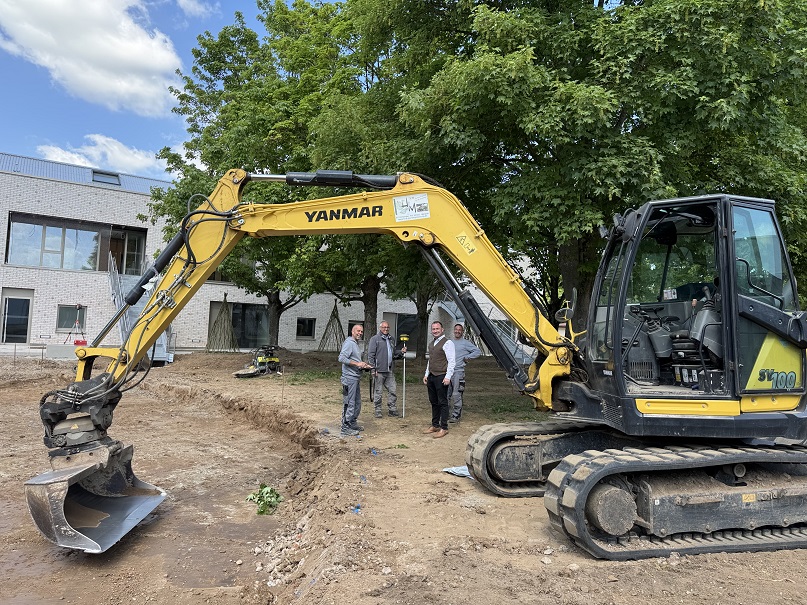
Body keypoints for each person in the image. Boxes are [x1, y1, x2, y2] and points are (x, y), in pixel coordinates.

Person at [422, 321, 455, 438]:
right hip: (432, 376)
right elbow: (430, 361)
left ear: (442, 330)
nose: (435, 331)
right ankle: (435, 425)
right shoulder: (431, 344)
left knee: (443, 402)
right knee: (433, 401)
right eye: (433, 329)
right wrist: (426, 374)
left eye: (437, 329)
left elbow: (451, 361)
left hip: (441, 376)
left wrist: (448, 377)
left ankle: (444, 427)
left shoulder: (448, 343)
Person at [367, 321, 406, 418]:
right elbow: (370, 355)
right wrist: (373, 369)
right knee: (378, 391)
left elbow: (393, 353)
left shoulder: (391, 339)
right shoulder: (375, 339)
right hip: (378, 370)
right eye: (384, 327)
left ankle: (392, 409)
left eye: (387, 327)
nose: (386, 329)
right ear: (380, 328)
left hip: (389, 370)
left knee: (393, 390)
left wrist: (401, 351)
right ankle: (378, 410)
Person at [338, 324, 371, 436]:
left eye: (361, 331)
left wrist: (363, 366)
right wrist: (358, 363)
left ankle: (352, 422)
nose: (360, 333)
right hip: (349, 378)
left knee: (357, 403)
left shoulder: (355, 344)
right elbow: (341, 358)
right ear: (352, 331)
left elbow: (354, 360)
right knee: (350, 403)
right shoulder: (349, 343)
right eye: (358, 331)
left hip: (355, 377)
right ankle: (345, 427)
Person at [448, 324, 481, 424]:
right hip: (448, 372)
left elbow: (477, 351)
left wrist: (467, 357)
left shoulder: (465, 343)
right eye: (456, 329)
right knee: (446, 395)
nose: (457, 331)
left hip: (459, 373)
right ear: (454, 330)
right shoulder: (450, 342)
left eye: (459, 330)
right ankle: (446, 414)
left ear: (462, 332)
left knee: (456, 394)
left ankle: (456, 415)